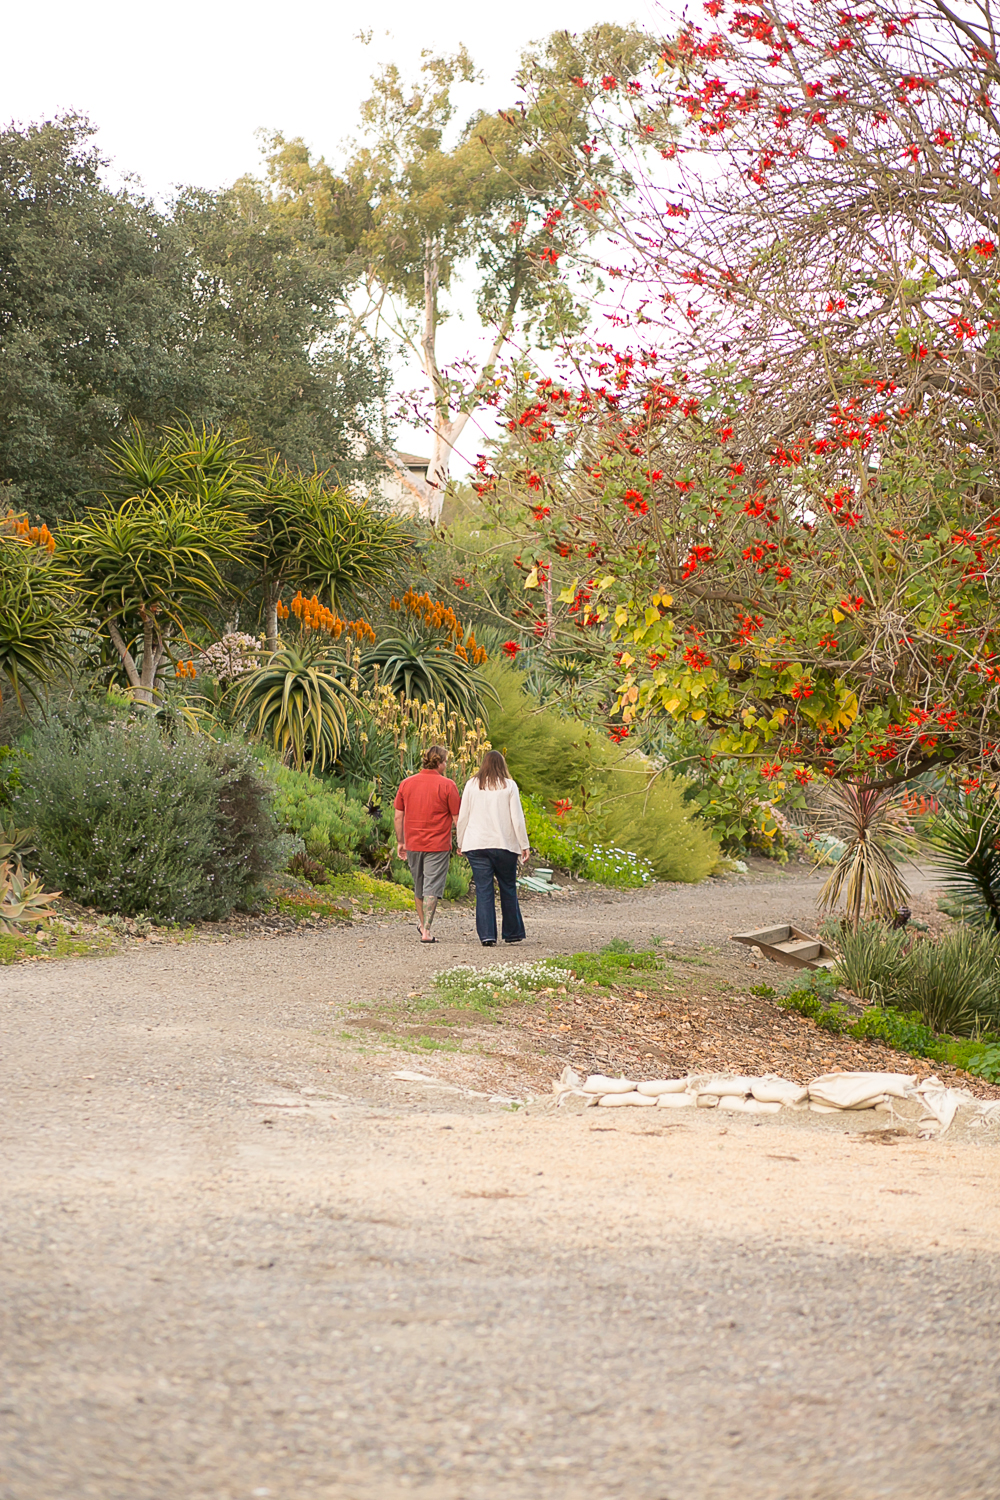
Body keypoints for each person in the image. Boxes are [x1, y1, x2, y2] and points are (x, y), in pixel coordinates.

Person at [456, 750, 530, 946]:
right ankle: (512, 932)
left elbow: (463, 816)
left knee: (483, 889)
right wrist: (524, 844)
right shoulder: (509, 785)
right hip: (504, 844)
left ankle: (487, 935)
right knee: (508, 887)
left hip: (476, 844)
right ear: (502, 765)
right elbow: (517, 818)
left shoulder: (472, 784)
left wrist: (460, 842)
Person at [393, 745, 460, 943]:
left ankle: (422, 925)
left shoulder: (406, 784)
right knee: (431, 887)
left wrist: (400, 841)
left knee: (419, 885)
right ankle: (426, 931)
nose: (446, 765)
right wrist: (462, 842)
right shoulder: (448, 785)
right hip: (437, 844)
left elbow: (398, 816)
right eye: (446, 761)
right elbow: (457, 818)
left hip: (413, 842)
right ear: (439, 763)